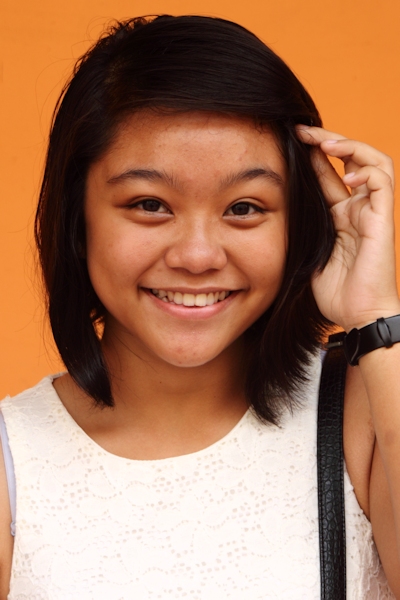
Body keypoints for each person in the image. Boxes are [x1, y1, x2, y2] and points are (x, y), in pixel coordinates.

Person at [0, 14, 399, 599]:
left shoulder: (365, 413)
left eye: (244, 208)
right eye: (149, 204)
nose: (197, 255)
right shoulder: (14, 461)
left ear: (297, 223)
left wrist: (378, 317)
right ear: (76, 218)